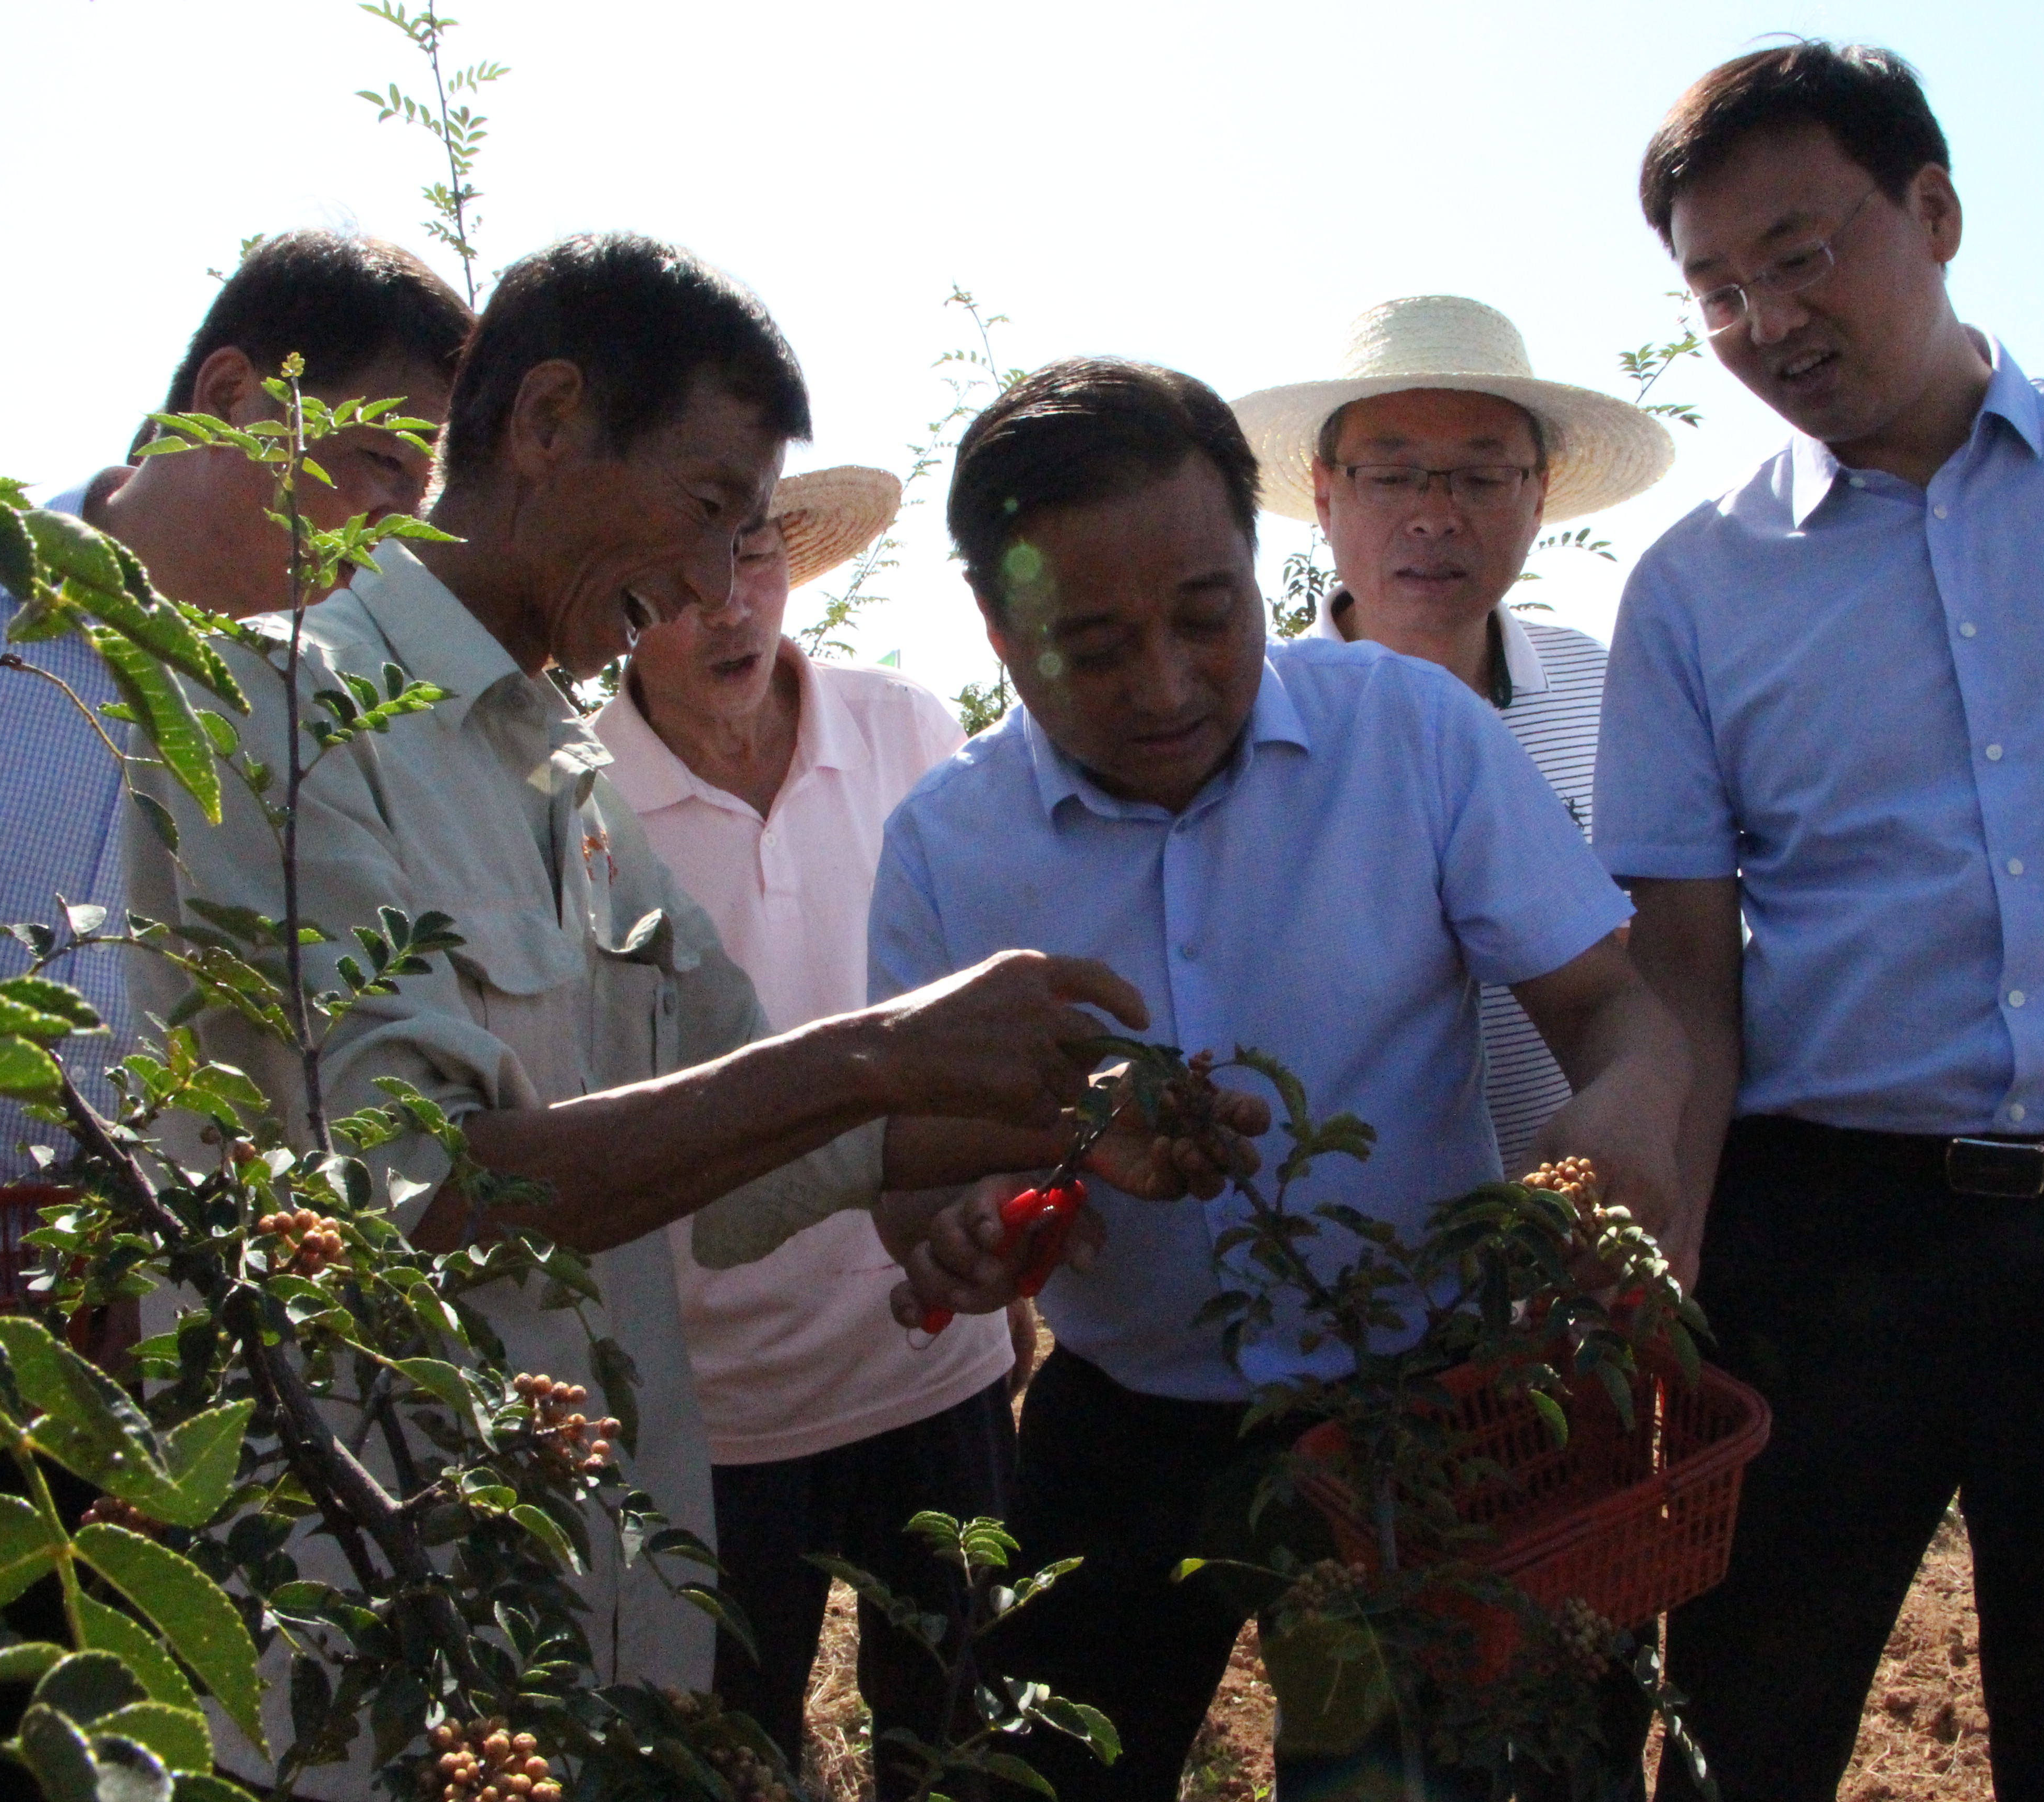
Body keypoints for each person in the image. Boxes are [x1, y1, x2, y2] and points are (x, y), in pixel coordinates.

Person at [127, 239, 1259, 1792]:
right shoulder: (276, 719)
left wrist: (1076, 1108)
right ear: (547, 420)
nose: (726, 581)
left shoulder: (568, 778)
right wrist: (888, 1044)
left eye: (753, 533)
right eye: (710, 504)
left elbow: (762, 1124)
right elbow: (423, 1202)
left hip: (595, 1618)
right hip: (372, 1642)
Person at [1596, 43, 2044, 1802]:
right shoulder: (1692, 588)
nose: (1763, 320)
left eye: (1798, 253)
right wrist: (1665, 1279)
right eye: (1712, 290)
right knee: (1737, 1738)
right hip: (1820, 1236)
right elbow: (1684, 964)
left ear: (1932, 213)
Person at [872, 357, 1692, 1802]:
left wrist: (1620, 1117)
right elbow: (929, 1167)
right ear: (1001, 638)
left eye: (1208, 618)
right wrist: (969, 1222)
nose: (1169, 687)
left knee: (1433, 1776)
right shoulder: (949, 847)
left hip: (1426, 1417)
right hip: (1121, 1432)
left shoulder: (1417, 737)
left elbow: (1616, 1011)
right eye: (1096, 647)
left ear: (1260, 573)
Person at [0, 230, 475, 1664]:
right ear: (231, 389)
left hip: (118, 1409)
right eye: (384, 461)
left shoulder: (322, 730)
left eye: (424, 491)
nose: (394, 522)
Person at [590, 464, 1016, 1785]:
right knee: (728, 1755)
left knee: (956, 1740)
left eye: (757, 553)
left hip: (934, 1357)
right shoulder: (570, 792)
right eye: (682, 571)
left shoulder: (907, 729)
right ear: (617, 596)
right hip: (713, 1411)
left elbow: (983, 995)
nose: (729, 605)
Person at [1233, 293, 1675, 1170]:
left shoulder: (1611, 691)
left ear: (1539, 496)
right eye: (1392, 477)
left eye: (1481, 478)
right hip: (1341, 1252)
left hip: (1586, 1244)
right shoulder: (1248, 728)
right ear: (1325, 495)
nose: (1436, 516)